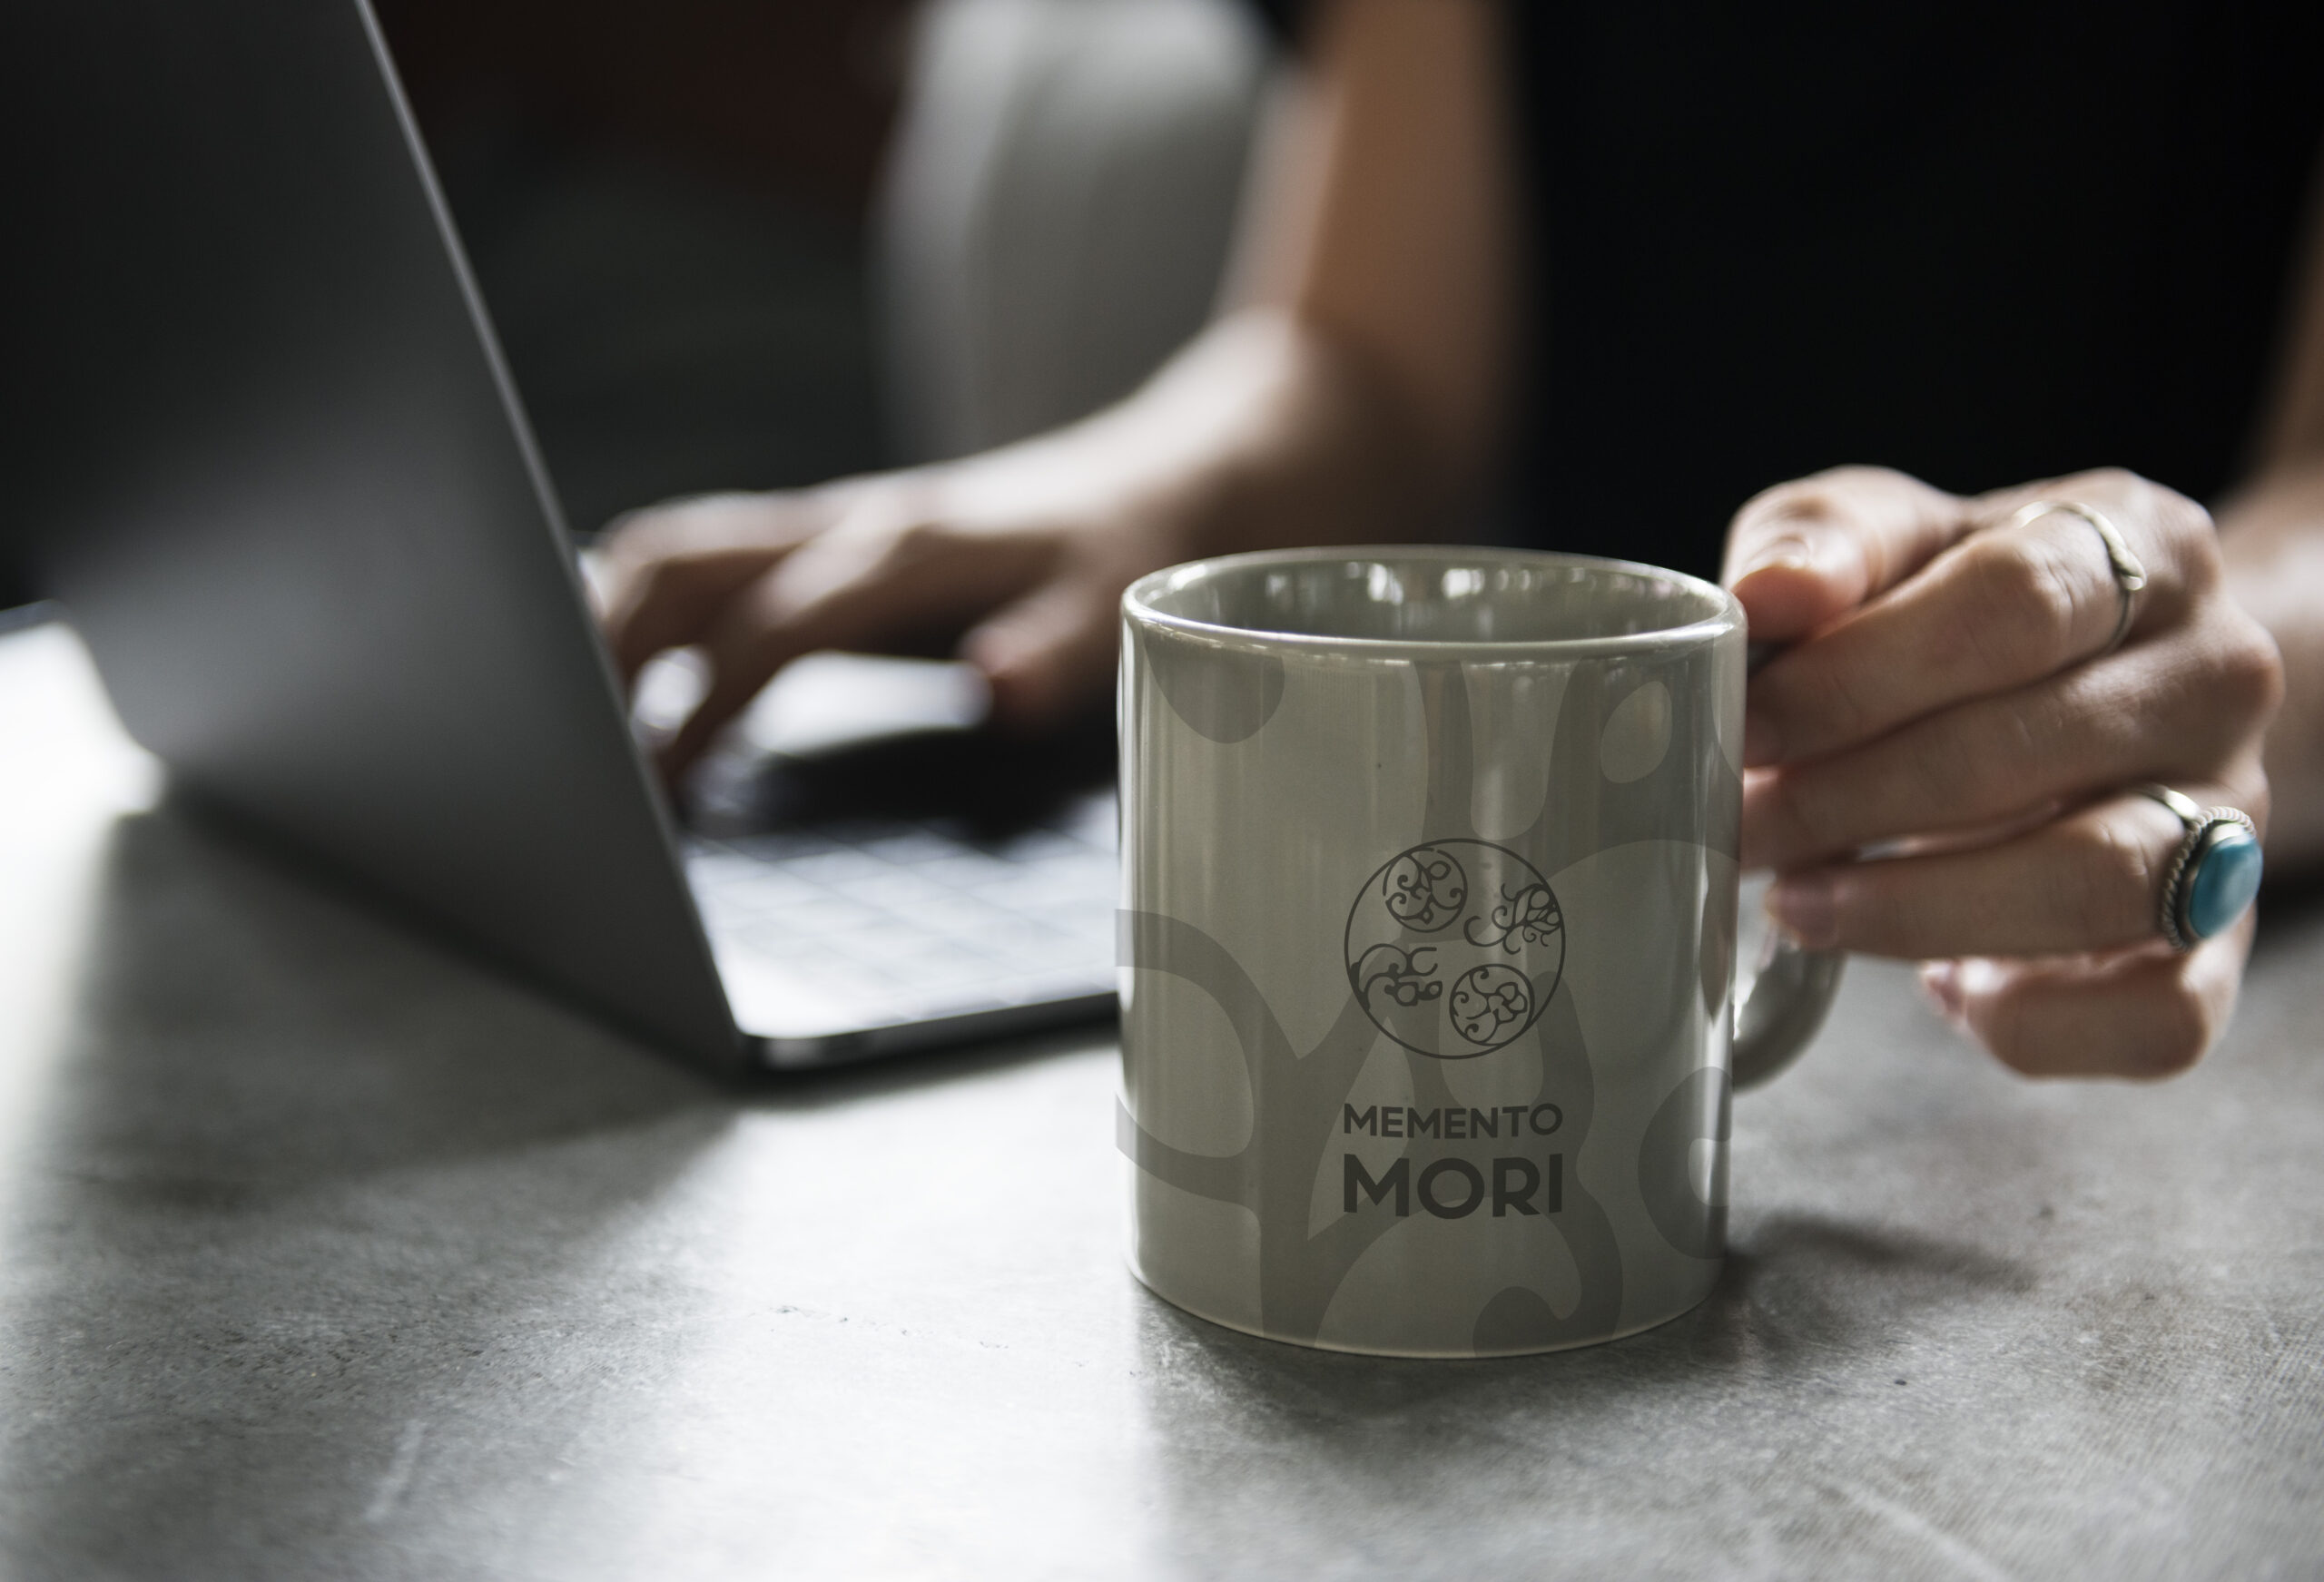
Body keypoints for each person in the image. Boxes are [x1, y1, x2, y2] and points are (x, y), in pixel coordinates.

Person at [594, 0, 2324, 1080]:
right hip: (1568, 906)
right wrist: (1118, 498)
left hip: (2108, 978)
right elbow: (1371, 358)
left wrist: (2171, 663)